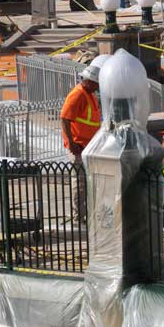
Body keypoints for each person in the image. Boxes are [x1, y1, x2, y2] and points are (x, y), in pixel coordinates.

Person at [61, 66, 102, 223]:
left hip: (88, 146)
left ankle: (86, 216)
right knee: (79, 184)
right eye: (96, 83)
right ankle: (78, 218)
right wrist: (71, 143)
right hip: (78, 146)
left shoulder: (89, 94)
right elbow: (65, 118)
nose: (98, 87)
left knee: (87, 184)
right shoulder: (78, 95)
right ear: (89, 81)